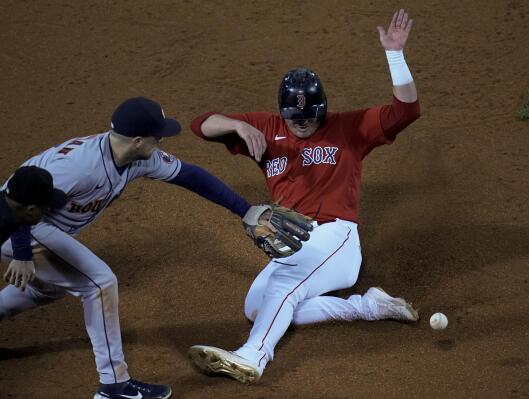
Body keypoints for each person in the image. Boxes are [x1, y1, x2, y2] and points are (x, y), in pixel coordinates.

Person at [0, 97, 301, 399]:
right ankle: (113, 387)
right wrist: (23, 254)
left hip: (37, 226)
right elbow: (22, 202)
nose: (161, 140)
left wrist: (245, 210)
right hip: (17, 225)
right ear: (137, 140)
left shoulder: (137, 156)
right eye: (157, 136)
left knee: (48, 287)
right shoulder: (79, 168)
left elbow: (190, 175)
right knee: (99, 284)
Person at [188, 8, 421, 383]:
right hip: (296, 240)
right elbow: (200, 125)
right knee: (255, 306)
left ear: (322, 109)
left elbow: (406, 110)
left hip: (336, 237)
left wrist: (394, 54)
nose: (302, 124)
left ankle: (253, 356)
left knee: (281, 287)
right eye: (294, 119)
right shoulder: (266, 128)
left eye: (309, 118)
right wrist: (236, 124)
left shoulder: (348, 127)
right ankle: (366, 307)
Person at [1, 166, 68, 289]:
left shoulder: (8, 207)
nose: (45, 213)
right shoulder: (4, 223)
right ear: (31, 210)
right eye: (44, 209)